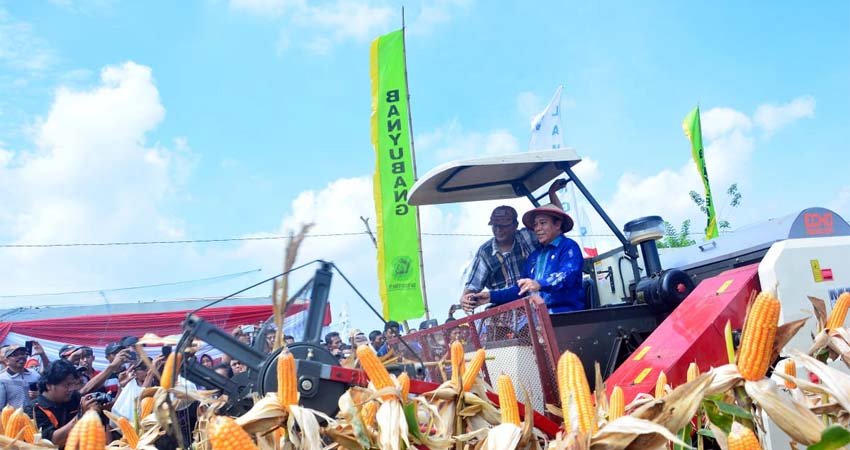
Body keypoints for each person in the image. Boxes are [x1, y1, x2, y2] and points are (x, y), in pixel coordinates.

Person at [463, 203, 585, 314]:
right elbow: (520, 289)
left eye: (542, 223)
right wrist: (490, 296)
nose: (537, 229)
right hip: (537, 318)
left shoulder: (569, 247)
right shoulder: (534, 256)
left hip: (565, 315)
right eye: (535, 224)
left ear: (557, 224)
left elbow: (567, 275)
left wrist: (539, 283)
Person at [460, 180, 566, 305]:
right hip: (503, 311)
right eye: (495, 226)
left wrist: (552, 194)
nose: (498, 230)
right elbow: (471, 287)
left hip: (534, 303)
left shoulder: (528, 237)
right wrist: (466, 298)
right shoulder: (485, 252)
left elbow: (554, 225)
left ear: (515, 225)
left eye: (503, 226)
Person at [28, 359, 100, 449]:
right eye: (67, 385)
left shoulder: (73, 398)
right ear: (48, 385)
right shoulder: (33, 409)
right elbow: (52, 442)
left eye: (73, 384)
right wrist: (81, 416)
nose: (71, 389)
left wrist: (120, 388)